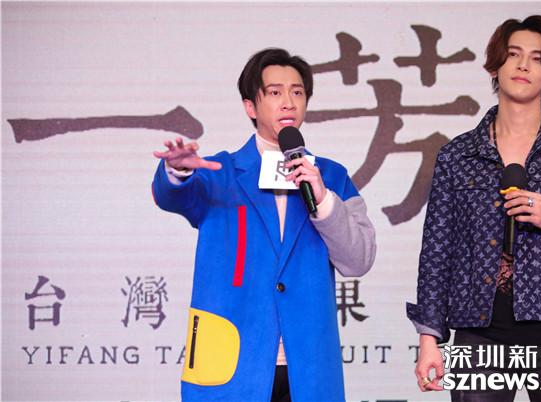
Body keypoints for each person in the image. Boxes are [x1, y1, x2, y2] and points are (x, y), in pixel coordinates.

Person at [407, 15, 541, 402]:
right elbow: (437, 251)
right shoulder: (458, 155)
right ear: (494, 66)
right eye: (514, 54)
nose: (523, 65)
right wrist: (429, 338)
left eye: (537, 58)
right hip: (478, 333)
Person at [152, 48, 376, 402]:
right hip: (230, 361)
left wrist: (324, 201)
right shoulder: (219, 172)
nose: (288, 102)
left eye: (297, 92)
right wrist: (176, 171)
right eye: (274, 92)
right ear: (250, 107)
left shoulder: (331, 177)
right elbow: (172, 196)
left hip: (308, 366)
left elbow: (359, 259)